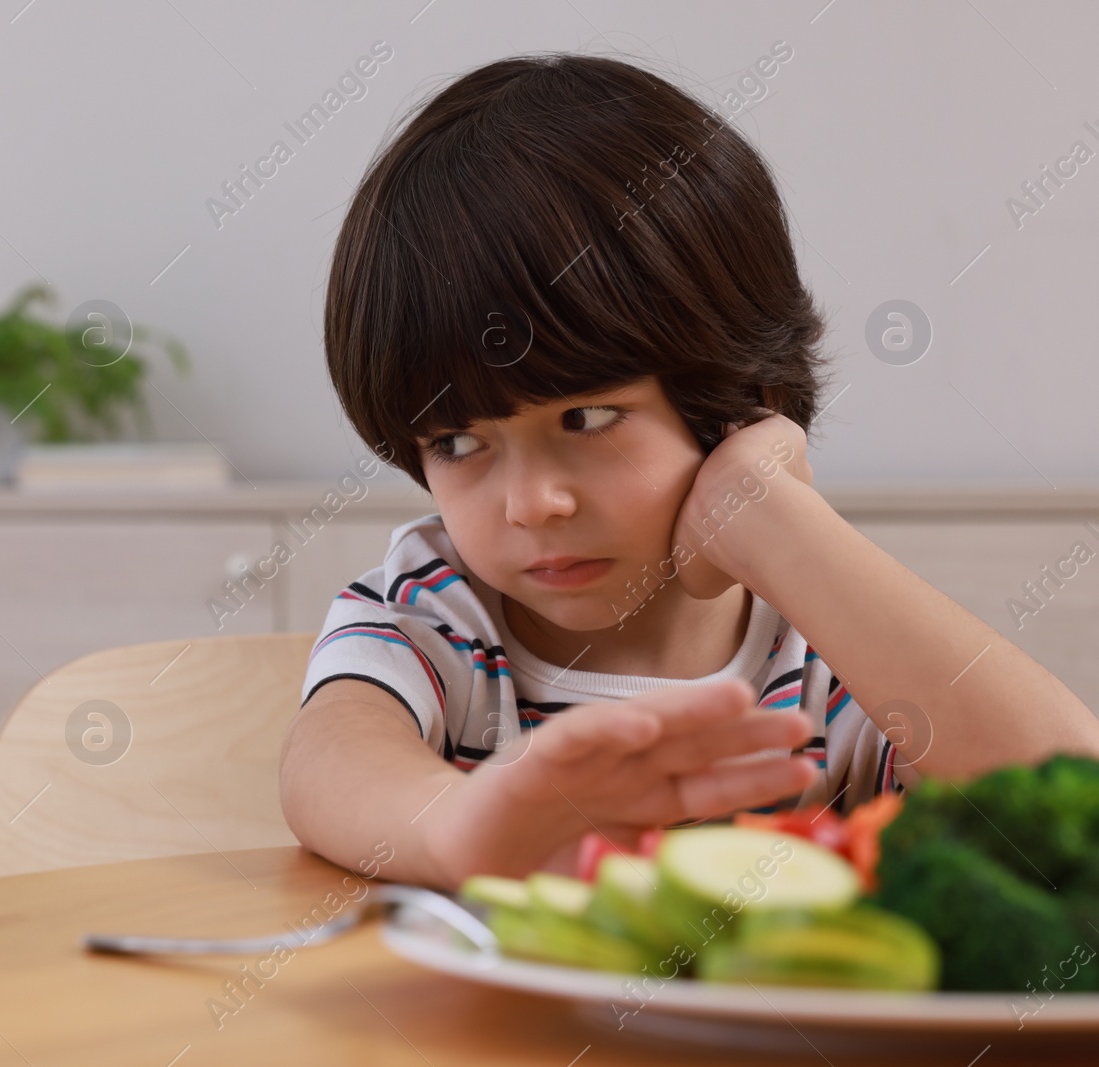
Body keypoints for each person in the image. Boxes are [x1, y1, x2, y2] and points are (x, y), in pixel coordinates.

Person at [277, 51, 1099, 892]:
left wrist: (776, 518)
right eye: (457, 442)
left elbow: (1067, 796)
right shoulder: (436, 611)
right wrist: (459, 829)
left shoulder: (825, 649)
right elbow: (329, 759)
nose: (532, 503)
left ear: (739, 392)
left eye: (587, 418)